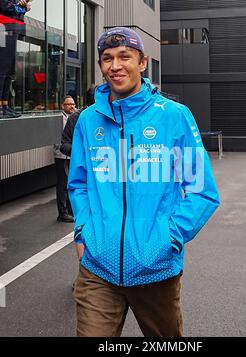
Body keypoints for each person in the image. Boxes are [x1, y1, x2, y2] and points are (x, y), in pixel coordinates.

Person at [68, 27, 220, 337]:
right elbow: (79, 184)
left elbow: (202, 191)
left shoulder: (174, 116)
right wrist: (83, 232)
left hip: (156, 269)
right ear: (100, 65)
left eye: (125, 56)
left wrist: (170, 239)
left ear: (142, 62)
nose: (115, 65)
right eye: (107, 58)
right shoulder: (87, 120)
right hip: (98, 268)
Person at [60, 86, 96, 259]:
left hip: (106, 181)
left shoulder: (113, 116)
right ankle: (85, 271)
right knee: (83, 225)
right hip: (83, 177)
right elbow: (64, 144)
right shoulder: (77, 119)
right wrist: (81, 152)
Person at [0, 0, 31, 119]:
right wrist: (23, 8)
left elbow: (15, 10)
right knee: (3, 68)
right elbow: (5, 7)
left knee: (9, 69)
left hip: (12, 29)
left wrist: (21, 5)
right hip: (3, 29)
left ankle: (5, 105)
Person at [54, 95, 76, 222]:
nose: (72, 106)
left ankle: (69, 210)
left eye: (73, 104)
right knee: (62, 184)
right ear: (63, 106)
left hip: (70, 155)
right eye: (69, 104)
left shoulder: (74, 117)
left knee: (70, 182)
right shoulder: (60, 118)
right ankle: (62, 213)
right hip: (61, 156)